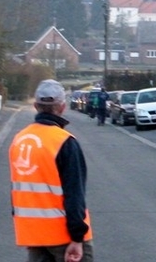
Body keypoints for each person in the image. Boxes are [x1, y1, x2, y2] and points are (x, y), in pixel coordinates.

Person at [8, 79, 94, 262]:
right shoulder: (65, 142)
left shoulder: (19, 139)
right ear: (62, 107)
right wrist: (77, 237)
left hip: (32, 234)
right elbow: (75, 194)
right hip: (62, 234)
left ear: (36, 106)